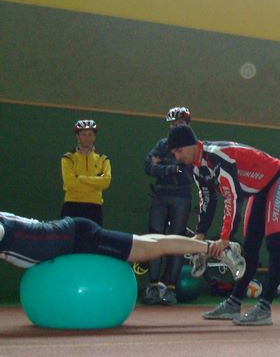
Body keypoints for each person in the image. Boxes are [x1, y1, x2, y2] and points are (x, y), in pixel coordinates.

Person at [168, 125, 280, 326]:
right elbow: (207, 200)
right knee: (250, 246)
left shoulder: (217, 157)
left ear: (191, 144)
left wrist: (224, 238)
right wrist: (200, 234)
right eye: (174, 153)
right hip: (258, 190)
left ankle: (265, 307)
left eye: (178, 150)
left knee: (274, 243)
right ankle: (234, 303)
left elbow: (232, 198)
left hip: (277, 180)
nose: (177, 157)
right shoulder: (197, 166)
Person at [0, 212, 245, 278]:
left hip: (79, 237)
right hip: (72, 234)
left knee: (151, 247)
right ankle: (205, 247)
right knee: (151, 243)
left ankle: (216, 249)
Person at [142, 107, 195, 306]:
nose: (174, 127)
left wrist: (161, 167)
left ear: (187, 125)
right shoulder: (162, 144)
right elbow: (148, 167)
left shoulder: (193, 147)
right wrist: (172, 169)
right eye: (172, 124)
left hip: (181, 198)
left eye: (179, 124)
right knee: (154, 237)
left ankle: (171, 288)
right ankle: (154, 286)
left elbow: (187, 174)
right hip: (160, 196)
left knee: (177, 240)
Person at [61, 120, 111, 225]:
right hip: (72, 205)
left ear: (94, 137)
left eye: (90, 134)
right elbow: (70, 183)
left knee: (93, 236)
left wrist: (80, 178)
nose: (87, 138)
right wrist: (96, 182)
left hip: (94, 207)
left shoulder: (103, 159)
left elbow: (106, 181)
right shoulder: (68, 158)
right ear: (77, 136)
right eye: (84, 134)